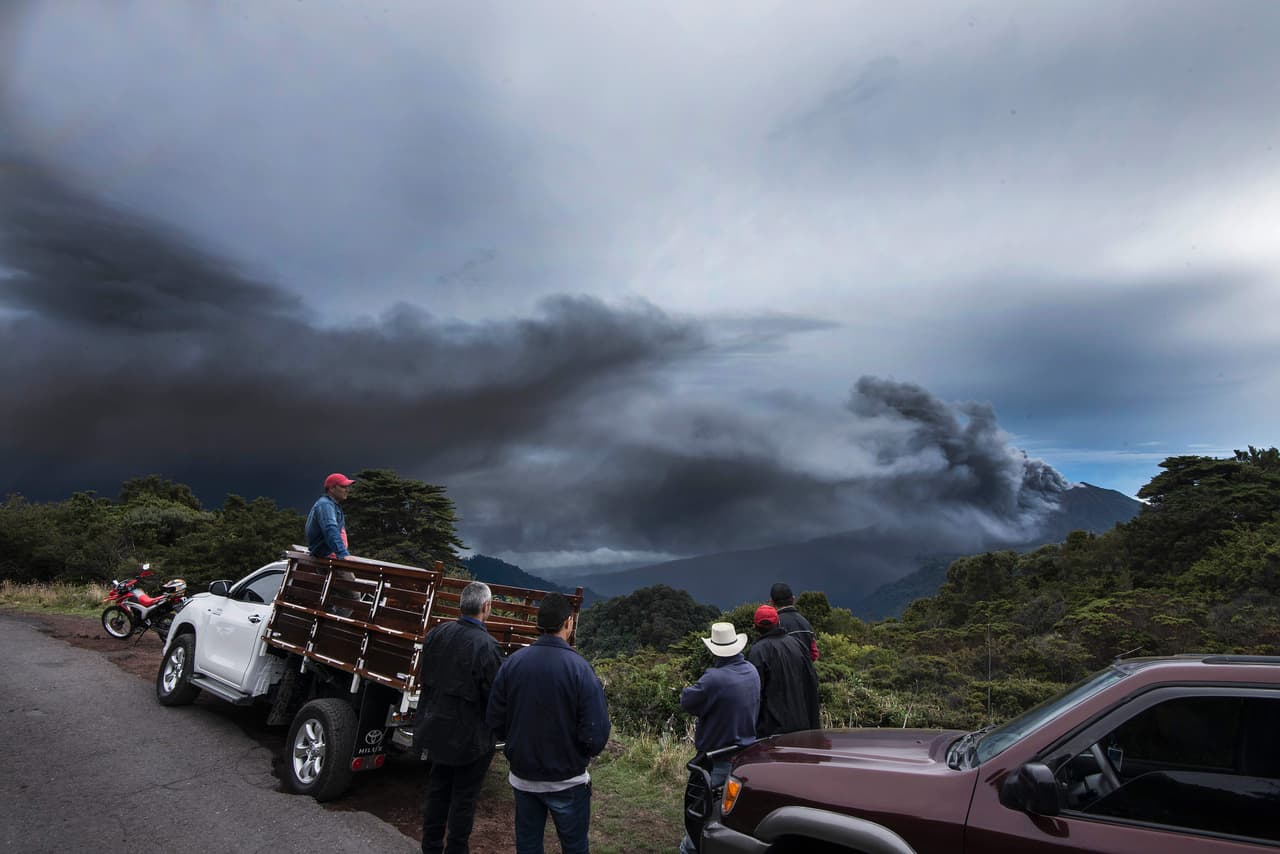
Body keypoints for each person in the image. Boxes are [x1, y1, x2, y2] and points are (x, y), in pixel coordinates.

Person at [486, 593, 610, 854]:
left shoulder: (513, 663)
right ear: (568, 623)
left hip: (523, 777)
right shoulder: (581, 669)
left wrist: (517, 743)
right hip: (568, 779)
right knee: (574, 846)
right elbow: (596, 735)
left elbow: (495, 719)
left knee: (528, 845)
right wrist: (578, 752)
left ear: (538, 624)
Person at [414, 581, 504, 854]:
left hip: (436, 728)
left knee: (438, 791)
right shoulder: (488, 647)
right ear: (486, 607)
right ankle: (456, 849)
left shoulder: (436, 634)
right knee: (464, 799)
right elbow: (496, 697)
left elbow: (425, 678)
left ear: (461, 605)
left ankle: (430, 847)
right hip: (471, 739)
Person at [678, 621, 760, 854]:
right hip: (743, 759)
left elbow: (688, 701)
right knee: (727, 821)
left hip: (716, 761)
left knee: (698, 826)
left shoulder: (713, 679)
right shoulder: (751, 672)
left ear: (714, 649)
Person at [747, 605, 820, 738]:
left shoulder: (757, 651)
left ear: (756, 627)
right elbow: (812, 680)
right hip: (803, 725)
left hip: (773, 731)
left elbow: (755, 695)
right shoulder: (797, 644)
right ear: (778, 623)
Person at [305, 472, 353, 559]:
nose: (347, 490)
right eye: (343, 487)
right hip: (328, 558)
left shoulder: (334, 505)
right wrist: (343, 554)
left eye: (347, 487)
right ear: (332, 488)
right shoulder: (325, 505)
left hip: (332, 556)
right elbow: (330, 529)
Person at [770, 582, 819, 661]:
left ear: (772, 602)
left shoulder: (774, 624)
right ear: (793, 599)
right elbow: (814, 654)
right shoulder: (806, 623)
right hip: (805, 672)